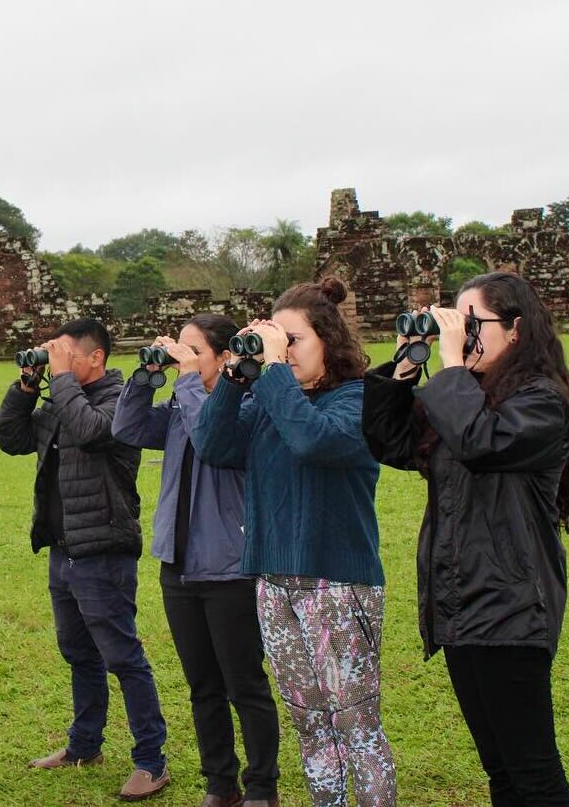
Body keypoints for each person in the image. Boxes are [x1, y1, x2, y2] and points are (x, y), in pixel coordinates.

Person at [362, 271, 569, 806]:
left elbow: (478, 442)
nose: (461, 335)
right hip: (459, 602)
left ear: (515, 330)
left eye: (473, 323)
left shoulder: (540, 402)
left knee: (534, 772)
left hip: (510, 607)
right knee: (501, 770)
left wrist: (449, 366)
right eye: (455, 322)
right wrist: (402, 370)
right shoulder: (464, 396)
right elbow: (390, 442)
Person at [192, 279, 396, 807]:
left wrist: (274, 373)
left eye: (294, 340)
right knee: (309, 722)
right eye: (276, 341)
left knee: (355, 725)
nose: (283, 352)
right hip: (273, 582)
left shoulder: (360, 398)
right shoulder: (270, 399)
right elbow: (212, 445)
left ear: (328, 340)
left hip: (338, 583)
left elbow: (313, 440)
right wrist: (237, 376)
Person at [0, 317, 170, 802]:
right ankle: (84, 745)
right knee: (78, 653)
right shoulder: (61, 399)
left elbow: (93, 432)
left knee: (123, 656)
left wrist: (62, 381)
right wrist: (27, 387)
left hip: (104, 549)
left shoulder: (122, 402)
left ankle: (151, 761)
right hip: (64, 547)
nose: (57, 363)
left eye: (66, 354)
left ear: (96, 358)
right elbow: (11, 439)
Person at [112, 314, 282, 807]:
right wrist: (146, 376)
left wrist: (186, 381)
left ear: (227, 356)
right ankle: (220, 785)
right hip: (179, 565)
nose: (183, 359)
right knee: (202, 685)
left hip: (229, 566)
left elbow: (212, 436)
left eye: (194, 352)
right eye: (179, 350)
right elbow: (126, 427)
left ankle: (262, 788)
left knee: (243, 685)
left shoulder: (247, 408)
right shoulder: (179, 407)